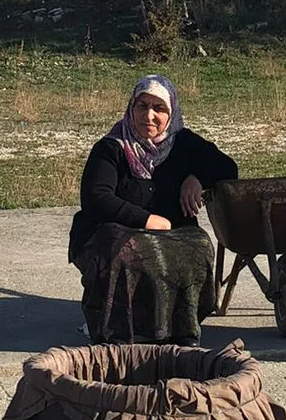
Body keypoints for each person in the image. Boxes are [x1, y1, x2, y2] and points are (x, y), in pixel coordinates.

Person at [69, 75, 238, 342]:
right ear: (131, 108)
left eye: (159, 108)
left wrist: (198, 178)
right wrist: (147, 219)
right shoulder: (111, 148)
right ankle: (113, 326)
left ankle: (178, 326)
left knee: (199, 245)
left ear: (171, 112)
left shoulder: (183, 143)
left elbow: (228, 167)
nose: (149, 115)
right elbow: (96, 197)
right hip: (112, 230)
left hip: (170, 232)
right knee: (125, 250)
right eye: (142, 106)